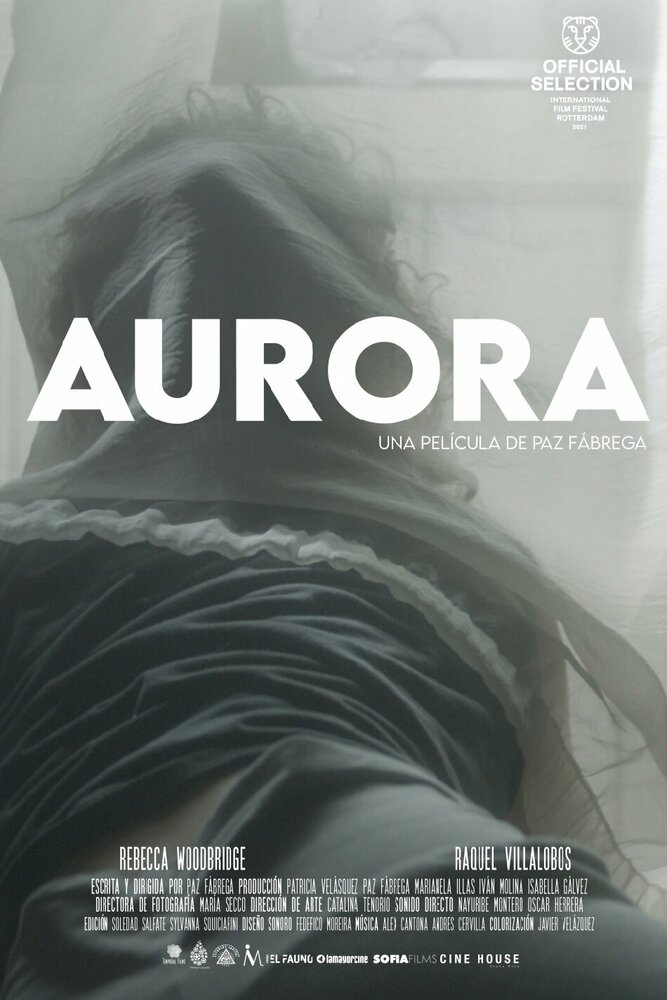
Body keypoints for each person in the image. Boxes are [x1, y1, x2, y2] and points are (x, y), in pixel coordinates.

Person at [1, 98, 667, 1000]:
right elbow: (538, 823)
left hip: (105, 948)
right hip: (441, 893)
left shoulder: (22, 546)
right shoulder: (461, 559)